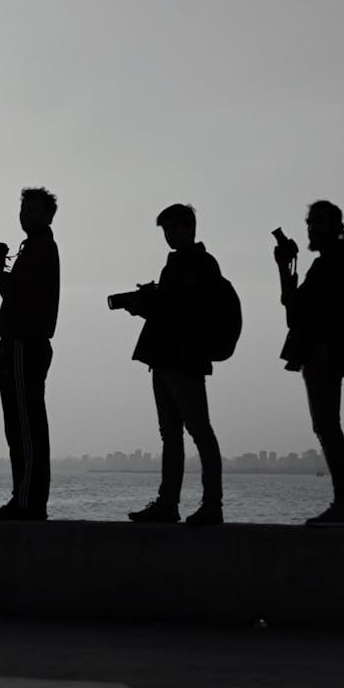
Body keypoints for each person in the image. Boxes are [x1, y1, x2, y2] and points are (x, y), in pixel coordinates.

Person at [121, 203, 224, 525]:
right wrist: (143, 305)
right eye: (166, 229)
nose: (169, 234)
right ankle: (168, 504)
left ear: (190, 228)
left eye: (174, 228)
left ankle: (212, 505)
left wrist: (153, 303)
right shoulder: (174, 266)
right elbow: (169, 311)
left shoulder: (202, 265)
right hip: (164, 358)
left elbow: (189, 313)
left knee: (199, 432)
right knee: (171, 435)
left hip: (184, 359)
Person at [275, 200, 344, 525]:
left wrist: (326, 348)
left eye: (317, 222)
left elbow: (314, 310)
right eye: (309, 222)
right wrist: (285, 269)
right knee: (326, 426)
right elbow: (295, 311)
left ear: (334, 225)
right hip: (319, 353)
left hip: (324, 353)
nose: (311, 229)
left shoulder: (339, 259)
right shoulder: (329, 262)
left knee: (327, 425)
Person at [0, 188, 59, 520]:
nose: (27, 216)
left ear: (48, 215)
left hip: (25, 344)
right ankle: (23, 498)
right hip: (18, 344)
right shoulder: (34, 248)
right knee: (20, 425)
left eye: (34, 211)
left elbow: (15, 288)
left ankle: (28, 501)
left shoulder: (40, 248)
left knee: (26, 427)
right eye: (24, 210)